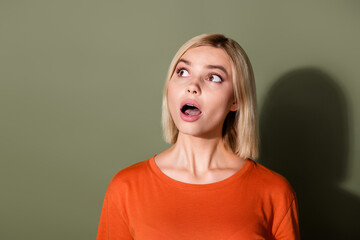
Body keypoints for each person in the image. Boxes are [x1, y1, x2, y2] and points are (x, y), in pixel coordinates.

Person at [96, 33, 300, 240]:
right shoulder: (126, 187)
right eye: (183, 72)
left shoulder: (274, 192)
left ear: (236, 100)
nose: (192, 86)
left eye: (213, 77)